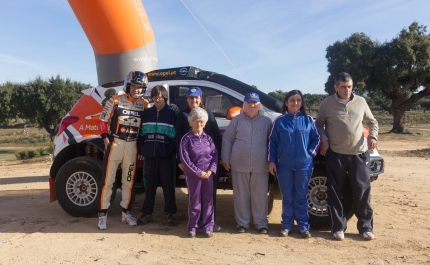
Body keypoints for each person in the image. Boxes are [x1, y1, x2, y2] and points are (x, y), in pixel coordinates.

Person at [315, 72, 378, 241]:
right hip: (336, 154)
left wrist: (373, 136)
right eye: (343, 87)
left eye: (350, 86)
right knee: (336, 192)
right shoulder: (327, 103)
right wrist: (325, 139)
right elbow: (318, 124)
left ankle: (366, 227)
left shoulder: (361, 102)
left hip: (359, 154)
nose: (347, 90)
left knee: (362, 191)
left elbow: (372, 121)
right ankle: (338, 228)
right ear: (335, 87)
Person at [98, 70, 149, 230]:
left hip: (132, 146)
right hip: (116, 144)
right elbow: (101, 121)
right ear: (128, 86)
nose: (136, 90)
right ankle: (102, 214)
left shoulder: (145, 104)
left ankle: (125, 213)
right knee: (108, 181)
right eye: (134, 86)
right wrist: (106, 140)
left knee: (129, 181)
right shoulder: (114, 100)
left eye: (139, 87)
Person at [268, 90, 320, 238]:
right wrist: (272, 161)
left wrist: (310, 153)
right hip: (284, 165)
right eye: (292, 100)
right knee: (287, 196)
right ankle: (287, 225)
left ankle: (303, 226)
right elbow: (273, 142)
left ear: (301, 103)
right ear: (286, 102)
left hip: (304, 165)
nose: (295, 103)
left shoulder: (308, 120)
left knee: (301, 196)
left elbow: (316, 139)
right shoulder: (279, 121)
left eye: (298, 100)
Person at [221, 92, 273, 234]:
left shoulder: (267, 121)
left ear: (259, 104)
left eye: (254, 102)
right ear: (244, 105)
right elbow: (227, 139)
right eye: (249, 102)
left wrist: (271, 161)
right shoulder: (237, 120)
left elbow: (272, 143)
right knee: (240, 195)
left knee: (260, 195)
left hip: (260, 165)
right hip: (239, 163)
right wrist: (225, 158)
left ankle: (261, 223)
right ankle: (242, 223)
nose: (252, 105)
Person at [175, 87, 223, 232]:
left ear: (201, 99)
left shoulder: (208, 113)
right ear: (187, 99)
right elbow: (178, 138)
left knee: (209, 195)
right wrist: (179, 160)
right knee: (194, 195)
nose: (194, 100)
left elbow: (215, 134)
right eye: (191, 98)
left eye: (196, 98)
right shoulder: (182, 114)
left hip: (208, 162)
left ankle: (209, 223)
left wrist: (218, 158)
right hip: (191, 163)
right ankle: (194, 223)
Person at [136, 85, 178, 226]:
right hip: (150, 157)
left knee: (168, 187)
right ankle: (147, 213)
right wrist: (143, 149)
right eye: (154, 96)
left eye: (159, 96)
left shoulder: (172, 113)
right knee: (149, 188)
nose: (157, 99)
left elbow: (176, 136)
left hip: (166, 158)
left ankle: (171, 214)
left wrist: (170, 150)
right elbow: (141, 134)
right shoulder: (147, 113)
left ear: (164, 97)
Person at [179, 107, 218, 238]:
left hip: (207, 175)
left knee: (208, 200)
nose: (198, 123)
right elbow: (184, 158)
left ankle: (208, 226)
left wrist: (210, 171)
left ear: (205, 123)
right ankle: (193, 226)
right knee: (194, 201)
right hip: (193, 176)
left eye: (201, 121)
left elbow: (215, 156)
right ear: (190, 122)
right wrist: (197, 172)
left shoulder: (209, 139)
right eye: (195, 120)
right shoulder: (186, 139)